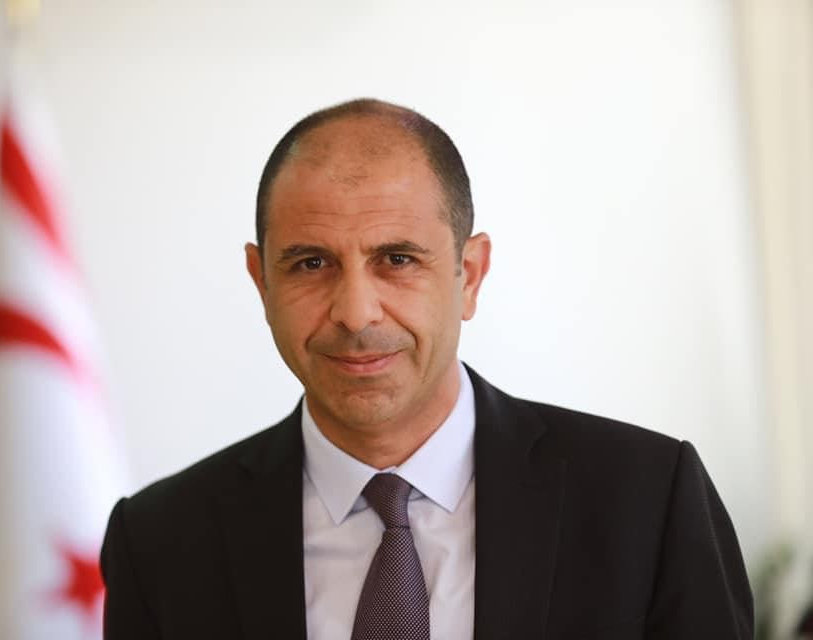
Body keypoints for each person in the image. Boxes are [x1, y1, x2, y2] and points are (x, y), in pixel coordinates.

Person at [100, 99, 753, 639]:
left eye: (398, 260)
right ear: (261, 281)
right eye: (310, 264)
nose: (356, 313)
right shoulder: (158, 542)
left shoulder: (647, 500)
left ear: (470, 275)